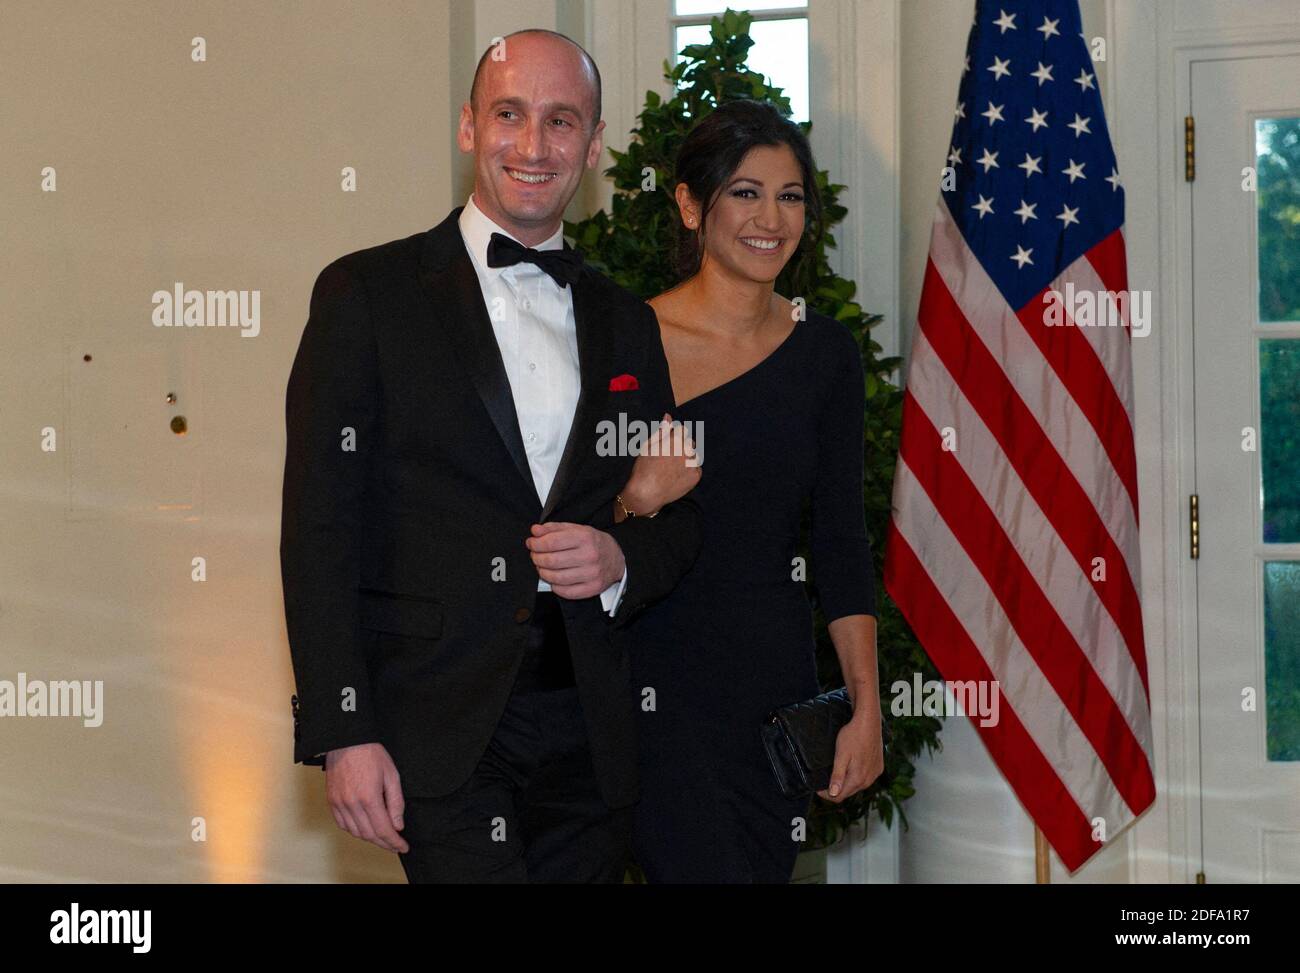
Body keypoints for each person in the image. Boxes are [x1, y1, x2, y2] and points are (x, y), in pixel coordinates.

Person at [279, 28, 702, 883]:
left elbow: (677, 513)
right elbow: (320, 526)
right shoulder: (365, 294)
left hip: (591, 727)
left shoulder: (627, 320)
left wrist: (620, 552)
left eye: (561, 121)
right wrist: (344, 728)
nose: (535, 145)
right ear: (470, 127)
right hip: (437, 727)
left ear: (593, 143)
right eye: (511, 115)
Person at [620, 99, 886, 883]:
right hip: (649, 684)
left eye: (791, 195)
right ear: (691, 203)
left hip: (772, 693)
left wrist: (865, 705)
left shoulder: (825, 355)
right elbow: (560, 523)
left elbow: (841, 540)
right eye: (745, 192)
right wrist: (635, 496)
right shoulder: (626, 339)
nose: (772, 217)